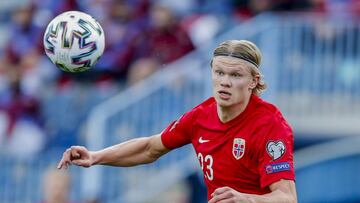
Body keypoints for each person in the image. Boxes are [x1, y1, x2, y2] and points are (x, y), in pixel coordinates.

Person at [58, 40, 297, 203]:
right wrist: (96, 156)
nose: (225, 81)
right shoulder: (200, 116)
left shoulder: (271, 125)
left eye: (235, 75)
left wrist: (248, 198)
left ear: (253, 81)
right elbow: (151, 148)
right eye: (219, 73)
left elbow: (287, 198)